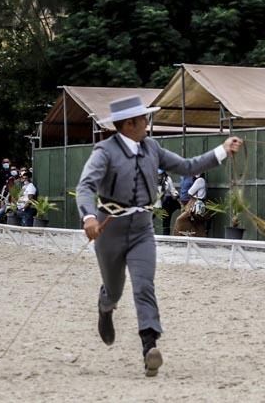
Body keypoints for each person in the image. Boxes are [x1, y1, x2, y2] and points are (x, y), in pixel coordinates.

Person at [76, 95, 242, 377]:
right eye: (144, 119)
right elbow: (85, 186)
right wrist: (89, 217)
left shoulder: (152, 148)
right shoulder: (104, 152)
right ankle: (105, 307)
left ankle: (149, 346)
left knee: (144, 286)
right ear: (129, 124)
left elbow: (189, 165)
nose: (147, 124)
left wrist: (223, 150)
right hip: (109, 229)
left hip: (142, 228)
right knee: (114, 288)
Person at [155, 169, 179, 236]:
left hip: (164, 204)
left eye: (160, 175)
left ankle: (166, 239)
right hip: (154, 205)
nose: (158, 177)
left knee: (166, 223)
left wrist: (175, 194)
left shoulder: (167, 179)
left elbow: (172, 190)